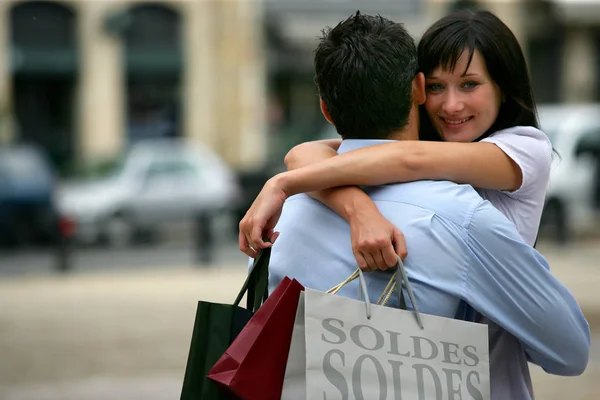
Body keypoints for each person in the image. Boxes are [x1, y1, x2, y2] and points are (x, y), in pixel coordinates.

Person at [241, 10, 590, 399]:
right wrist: (358, 210)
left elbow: (402, 159)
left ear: (325, 109)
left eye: (470, 84)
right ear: (419, 89)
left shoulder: (280, 218)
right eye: (439, 87)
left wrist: (286, 185)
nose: (452, 105)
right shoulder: (456, 213)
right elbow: (570, 351)